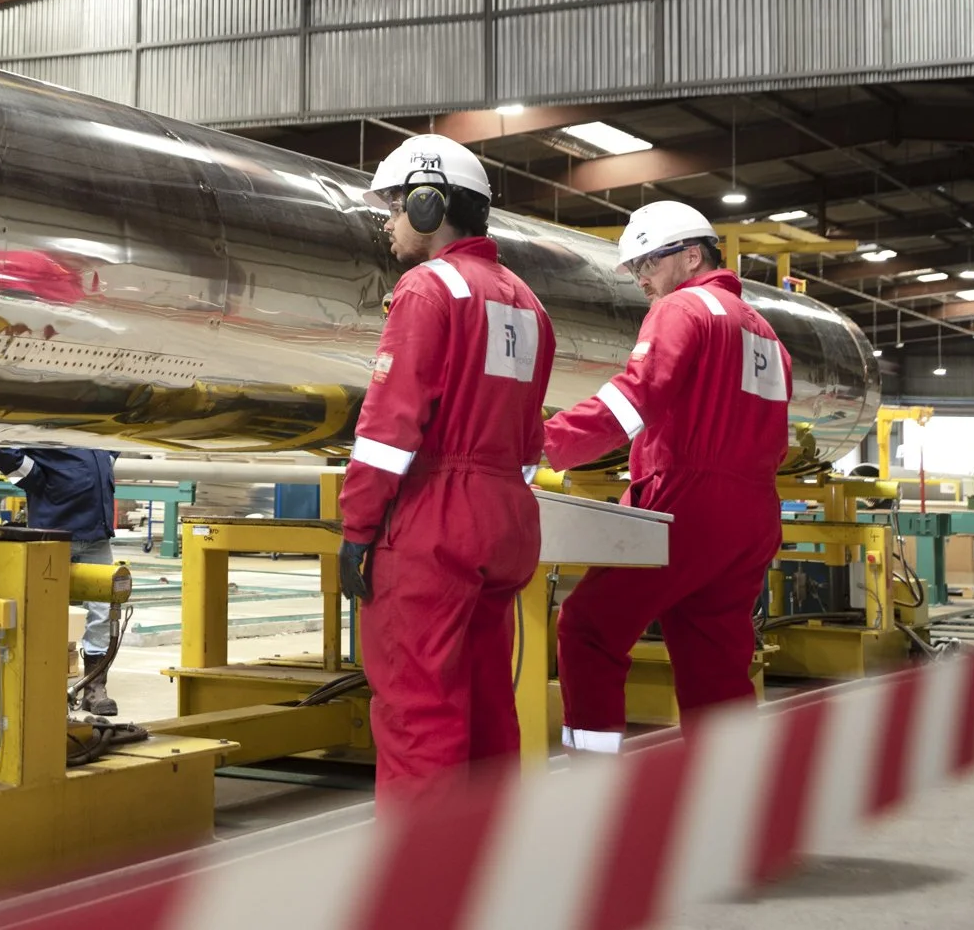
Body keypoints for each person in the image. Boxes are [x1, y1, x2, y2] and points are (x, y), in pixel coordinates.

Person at [337, 134, 554, 806]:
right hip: (506, 521)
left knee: (419, 710)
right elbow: (528, 439)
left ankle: (418, 888)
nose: (388, 220)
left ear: (431, 205)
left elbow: (387, 432)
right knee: (489, 703)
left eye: (398, 205)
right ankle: (487, 870)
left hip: (434, 523)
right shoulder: (527, 304)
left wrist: (357, 528)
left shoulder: (428, 290)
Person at [543, 200, 790, 753]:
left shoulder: (684, 310)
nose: (641, 280)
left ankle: (592, 778)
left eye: (648, 264)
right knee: (716, 654)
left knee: (587, 626)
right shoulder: (766, 335)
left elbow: (636, 397)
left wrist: (544, 441)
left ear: (692, 255)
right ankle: (727, 795)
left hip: (686, 503)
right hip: (752, 515)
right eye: (635, 269)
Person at [0, 446, 122, 715]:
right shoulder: (46, 412)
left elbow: (116, 437)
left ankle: (94, 688)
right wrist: (36, 477)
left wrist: (105, 459)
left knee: (103, 612)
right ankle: (43, 687)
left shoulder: (92, 416)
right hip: (54, 529)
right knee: (46, 612)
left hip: (96, 533)